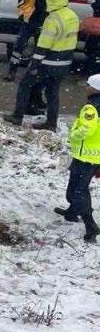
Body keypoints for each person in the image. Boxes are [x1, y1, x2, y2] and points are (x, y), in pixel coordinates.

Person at [5, 0, 78, 131]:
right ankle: (51, 122)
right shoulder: (72, 15)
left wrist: (33, 65)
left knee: (25, 84)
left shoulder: (52, 19)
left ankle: (18, 116)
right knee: (53, 92)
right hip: (64, 61)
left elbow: (43, 46)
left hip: (47, 62)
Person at [59, 74, 100, 242]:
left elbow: (86, 130)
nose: (86, 87)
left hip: (85, 156)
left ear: (96, 88)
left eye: (88, 85)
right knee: (78, 187)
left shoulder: (91, 108)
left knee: (77, 190)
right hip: (95, 156)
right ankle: (71, 213)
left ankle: (91, 225)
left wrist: (73, 134)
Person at [6, 0, 43, 80]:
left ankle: (34, 72)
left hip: (44, 21)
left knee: (40, 49)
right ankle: (12, 71)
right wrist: (23, 15)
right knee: (18, 47)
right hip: (29, 19)